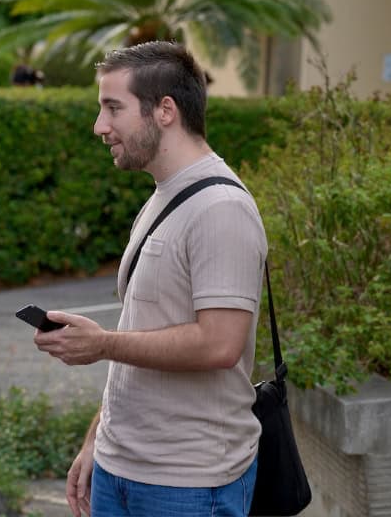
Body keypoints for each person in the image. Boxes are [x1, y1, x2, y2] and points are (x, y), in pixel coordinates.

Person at [34, 41, 267, 517]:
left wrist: (101, 345)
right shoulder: (165, 195)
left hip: (189, 485)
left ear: (165, 110)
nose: (100, 126)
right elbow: (142, 326)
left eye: (112, 108)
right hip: (122, 469)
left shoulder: (221, 208)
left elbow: (220, 345)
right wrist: (98, 436)